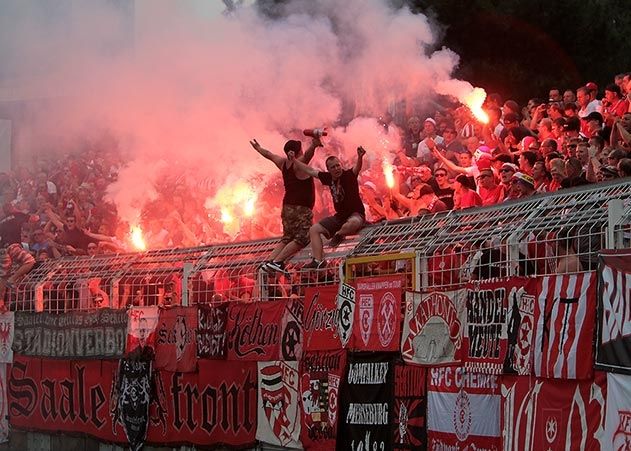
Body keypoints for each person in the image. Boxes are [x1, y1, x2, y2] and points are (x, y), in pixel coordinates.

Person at [249, 136, 321, 273]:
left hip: (287, 207)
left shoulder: (283, 163)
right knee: (303, 238)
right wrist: (314, 145)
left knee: (287, 238)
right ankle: (278, 262)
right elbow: (307, 156)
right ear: (297, 151)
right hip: (300, 208)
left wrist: (258, 148)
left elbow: (269, 155)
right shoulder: (297, 163)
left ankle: (269, 262)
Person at [290, 146, 367, 269]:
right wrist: (294, 160)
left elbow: (357, 168)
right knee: (314, 229)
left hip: (356, 214)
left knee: (352, 223)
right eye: (333, 167)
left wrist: (360, 157)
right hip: (340, 217)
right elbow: (309, 171)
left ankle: (338, 234)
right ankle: (318, 260)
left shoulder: (348, 175)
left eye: (338, 165)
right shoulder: (328, 178)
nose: (336, 168)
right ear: (328, 170)